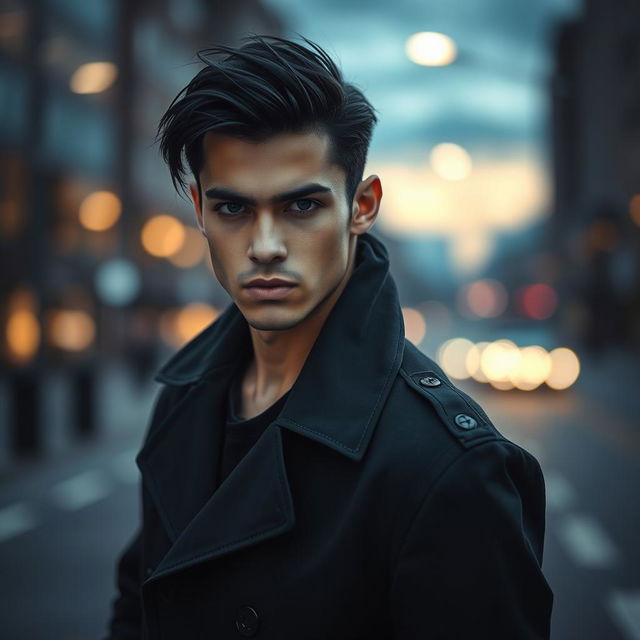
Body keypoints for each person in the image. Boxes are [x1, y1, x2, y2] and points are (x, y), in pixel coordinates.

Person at [104, 33, 553, 639]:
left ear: (361, 206)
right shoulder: (184, 397)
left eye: (301, 207)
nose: (265, 247)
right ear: (198, 209)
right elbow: (140, 606)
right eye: (234, 209)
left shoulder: (447, 465)